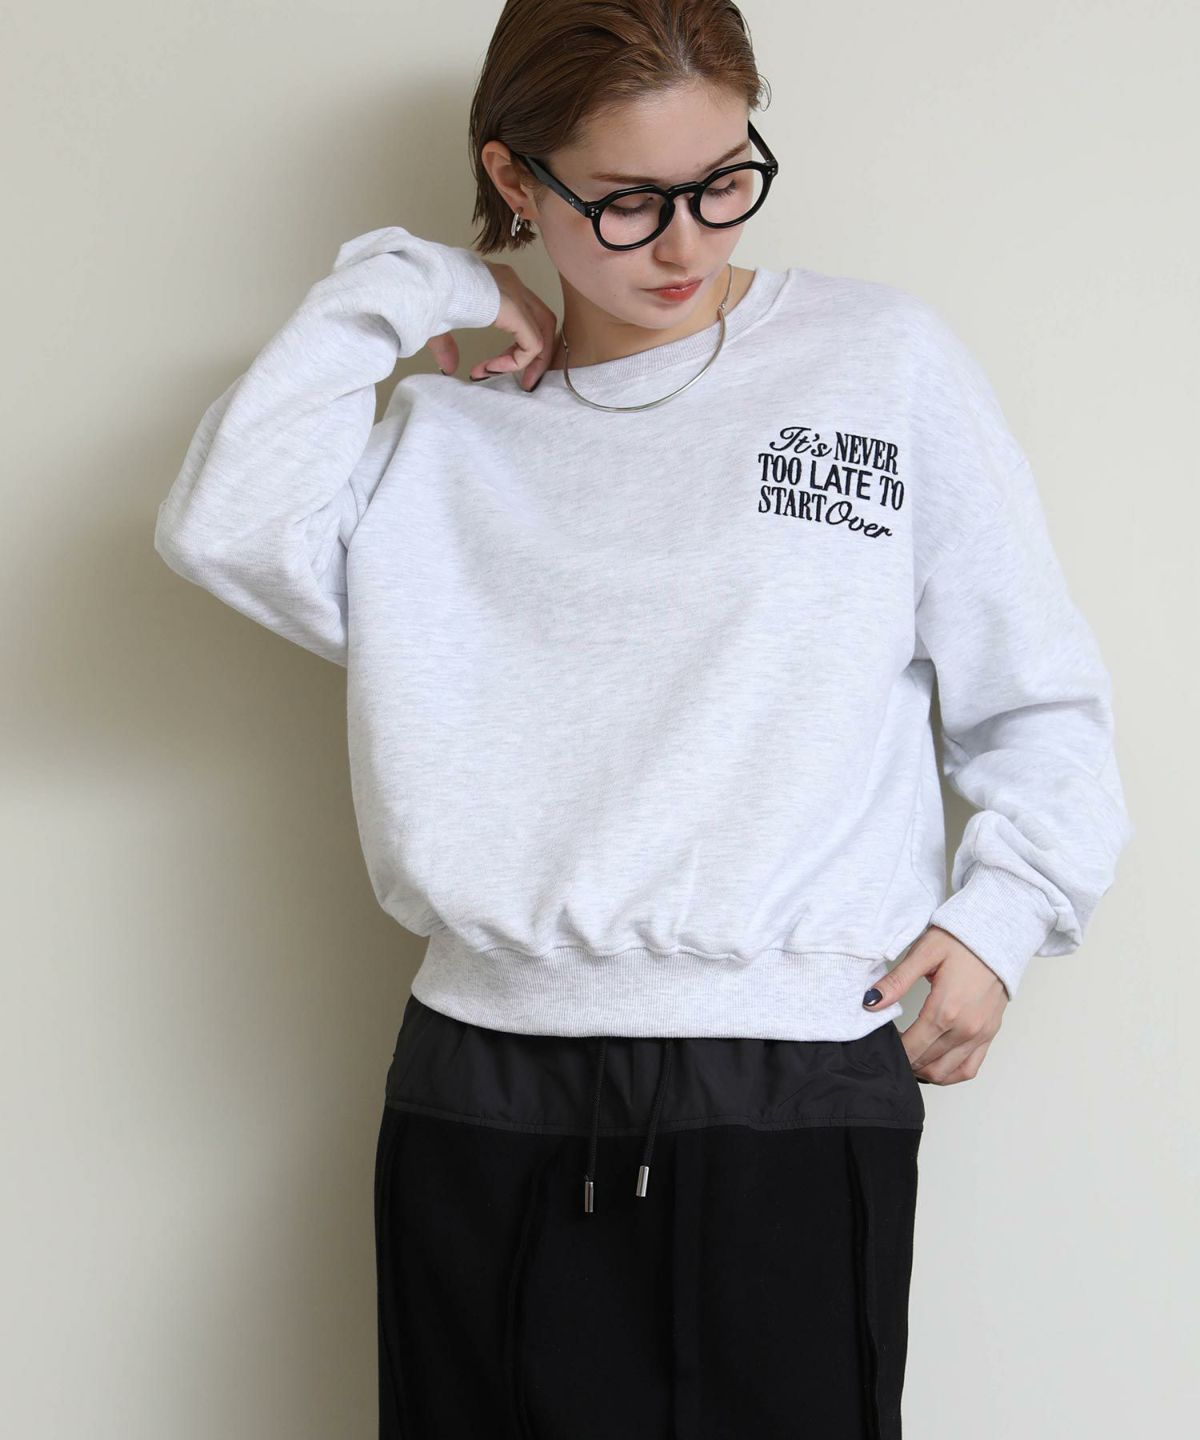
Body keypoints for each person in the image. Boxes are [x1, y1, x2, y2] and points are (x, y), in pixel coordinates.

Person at [152, 1, 1134, 1435]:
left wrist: (1005, 917)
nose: (686, 244)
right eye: (626, 202)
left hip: (798, 1066)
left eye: (724, 181)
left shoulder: (881, 363)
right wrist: (415, 287)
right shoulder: (446, 439)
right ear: (514, 177)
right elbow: (221, 525)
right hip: (483, 1071)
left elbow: (1037, 693)